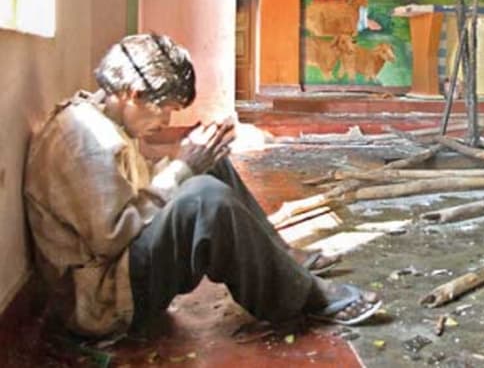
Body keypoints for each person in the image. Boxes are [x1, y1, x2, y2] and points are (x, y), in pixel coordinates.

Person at [23, 33, 382, 338]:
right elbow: (113, 236)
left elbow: (132, 196)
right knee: (204, 199)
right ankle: (308, 300)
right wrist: (182, 167)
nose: (166, 121)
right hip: (102, 303)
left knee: (211, 166)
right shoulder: (83, 140)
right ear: (132, 94)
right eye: (164, 109)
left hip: (122, 265)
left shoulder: (102, 116)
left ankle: (283, 261)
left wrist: (194, 161)